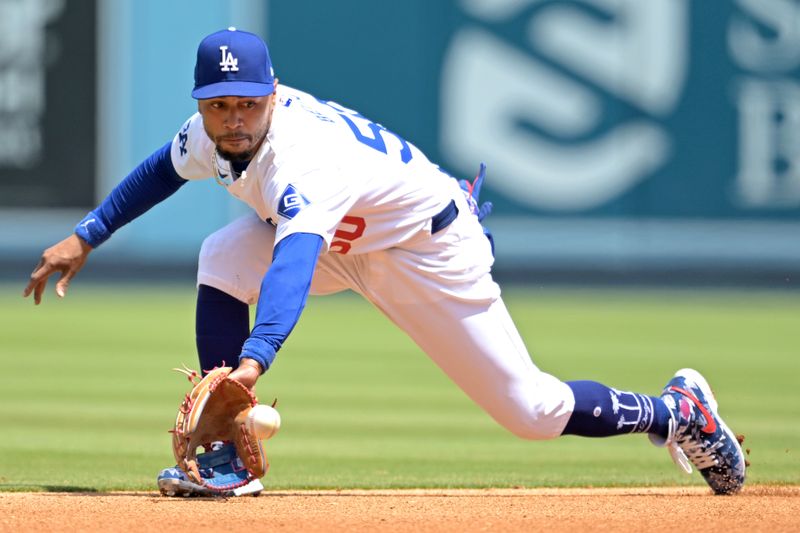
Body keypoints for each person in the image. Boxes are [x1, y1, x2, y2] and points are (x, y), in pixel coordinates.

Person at [24, 28, 746, 496]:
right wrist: (88, 233)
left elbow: (293, 260)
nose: (234, 117)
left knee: (531, 410)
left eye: (247, 102)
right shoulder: (211, 134)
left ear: (273, 95)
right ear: (203, 107)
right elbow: (161, 167)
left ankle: (676, 410)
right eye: (219, 106)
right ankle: (229, 461)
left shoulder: (302, 155)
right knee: (220, 254)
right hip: (352, 239)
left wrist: (256, 359)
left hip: (425, 249)